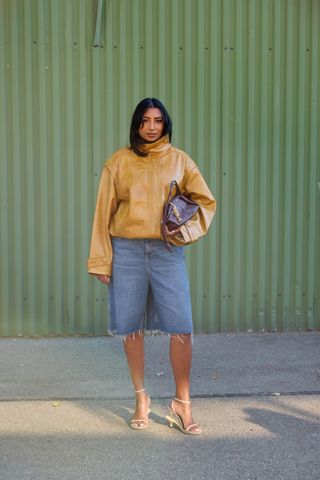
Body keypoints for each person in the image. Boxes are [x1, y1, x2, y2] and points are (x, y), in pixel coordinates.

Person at [87, 98, 216, 435]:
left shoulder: (180, 161)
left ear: (165, 123)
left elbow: (206, 202)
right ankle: (141, 398)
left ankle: (182, 404)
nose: (151, 127)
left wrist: (182, 233)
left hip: (166, 252)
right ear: (136, 124)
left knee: (182, 327)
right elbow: (103, 214)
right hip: (126, 251)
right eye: (145, 120)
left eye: (158, 120)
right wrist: (101, 259)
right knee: (131, 327)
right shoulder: (118, 162)